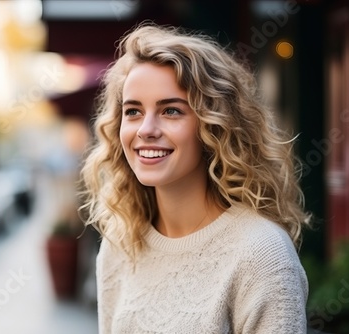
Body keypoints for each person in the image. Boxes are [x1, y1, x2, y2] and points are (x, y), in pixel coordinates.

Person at [80, 22, 311, 334]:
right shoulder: (119, 246)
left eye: (171, 111)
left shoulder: (261, 254)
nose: (146, 129)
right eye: (133, 111)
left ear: (213, 125)